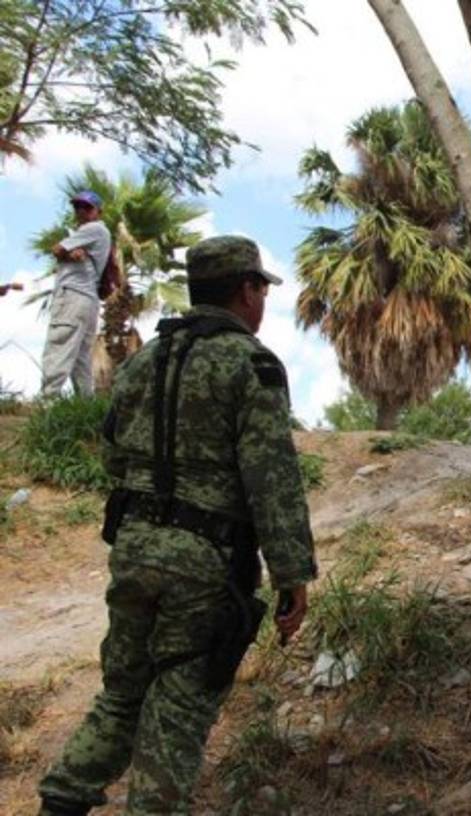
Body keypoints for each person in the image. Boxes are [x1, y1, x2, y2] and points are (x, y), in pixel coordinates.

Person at [38, 236, 318, 816]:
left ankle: (59, 801)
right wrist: (293, 575)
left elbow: (115, 451)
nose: (263, 299)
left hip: (134, 551)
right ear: (247, 291)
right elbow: (272, 477)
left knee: (121, 699)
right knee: (180, 709)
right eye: (262, 288)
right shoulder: (252, 365)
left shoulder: (143, 361)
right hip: (204, 565)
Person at [40, 191, 112, 399]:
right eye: (77, 206)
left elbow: (57, 249)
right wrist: (70, 253)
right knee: (81, 357)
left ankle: (48, 401)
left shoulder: (94, 229)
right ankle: (85, 405)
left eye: (87, 207)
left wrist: (66, 252)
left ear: (98, 211)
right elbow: (65, 252)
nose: (81, 211)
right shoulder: (95, 233)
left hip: (73, 295)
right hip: (88, 299)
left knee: (59, 345)